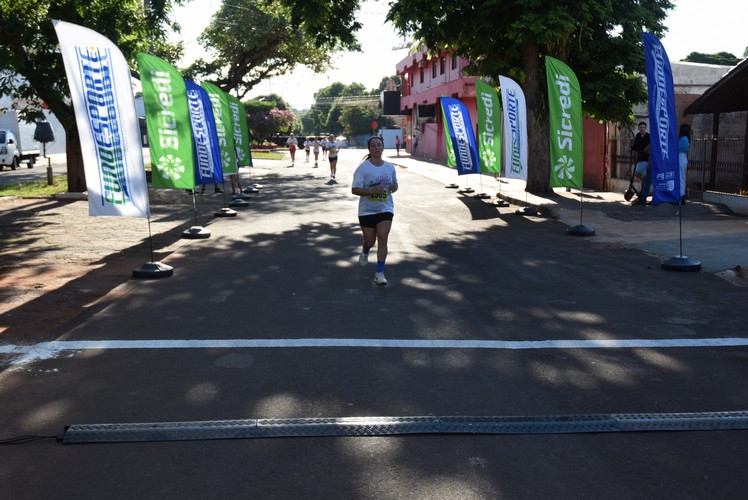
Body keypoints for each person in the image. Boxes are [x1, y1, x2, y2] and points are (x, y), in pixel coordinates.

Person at [351, 136, 399, 286]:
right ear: (369, 149)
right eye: (373, 146)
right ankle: (365, 249)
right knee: (370, 241)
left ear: (383, 147)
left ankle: (379, 273)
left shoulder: (390, 167)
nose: (377, 148)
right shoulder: (363, 168)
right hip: (367, 211)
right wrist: (371, 191)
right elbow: (355, 189)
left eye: (379, 145)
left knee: (383, 238)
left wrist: (394, 187)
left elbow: (395, 185)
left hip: (385, 208)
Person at [630, 122, 651, 205]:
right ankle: (642, 190)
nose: (642, 129)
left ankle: (644, 182)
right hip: (639, 159)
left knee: (636, 173)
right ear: (638, 128)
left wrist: (643, 150)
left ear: (646, 128)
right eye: (640, 127)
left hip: (645, 159)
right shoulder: (638, 135)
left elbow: (647, 147)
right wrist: (632, 148)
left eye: (643, 127)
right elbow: (636, 146)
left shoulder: (648, 136)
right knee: (640, 177)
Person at [678, 123, 691, 204]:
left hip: (680, 157)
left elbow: (677, 148)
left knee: (681, 177)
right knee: (682, 177)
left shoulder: (683, 139)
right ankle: (681, 195)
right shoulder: (687, 138)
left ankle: (681, 195)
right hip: (683, 157)